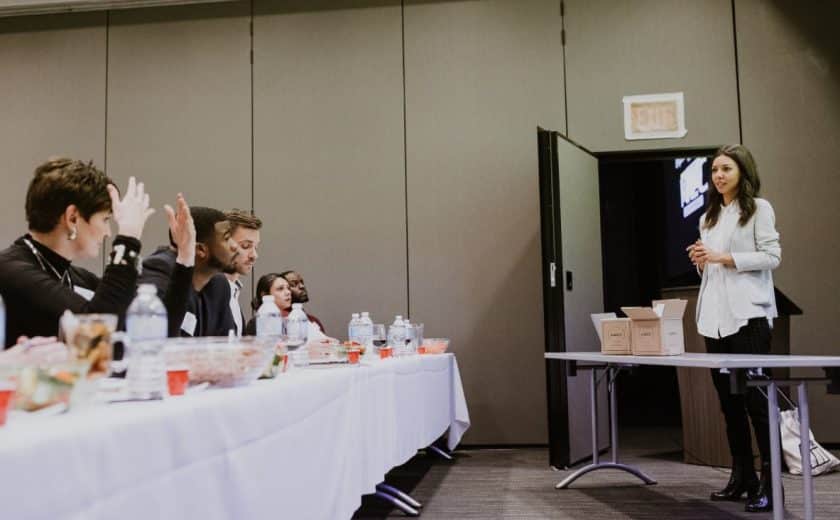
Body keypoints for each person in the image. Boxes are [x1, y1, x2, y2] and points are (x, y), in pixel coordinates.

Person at [687, 144, 782, 513]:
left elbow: (773, 257)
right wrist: (701, 259)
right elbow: (711, 266)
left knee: (757, 404)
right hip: (715, 321)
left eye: (726, 168)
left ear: (743, 171)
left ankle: (771, 485)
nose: (719, 176)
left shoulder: (759, 209)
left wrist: (724, 257)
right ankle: (742, 477)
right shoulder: (709, 216)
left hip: (748, 319)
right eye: (713, 171)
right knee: (729, 405)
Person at [0, 158, 157, 346]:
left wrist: (184, 262)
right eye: (106, 219)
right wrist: (128, 240)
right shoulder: (11, 270)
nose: (108, 233)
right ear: (72, 217)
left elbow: (150, 326)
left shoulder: (73, 276)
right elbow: (95, 337)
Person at [140, 206, 237, 337]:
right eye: (226, 238)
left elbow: (228, 342)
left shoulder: (219, 285)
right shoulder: (159, 270)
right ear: (200, 249)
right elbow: (157, 338)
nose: (235, 245)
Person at [244, 273, 330, 341]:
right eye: (280, 289)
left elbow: (322, 340)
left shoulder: (294, 316)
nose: (288, 292)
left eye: (288, 288)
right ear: (265, 295)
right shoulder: (257, 322)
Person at [222, 209, 262, 336]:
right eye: (245, 246)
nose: (254, 255)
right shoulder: (205, 292)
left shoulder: (234, 290)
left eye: (256, 247)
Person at [278, 270, 326, 334]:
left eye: (302, 282)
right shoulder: (279, 320)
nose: (302, 286)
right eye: (294, 284)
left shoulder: (313, 320)